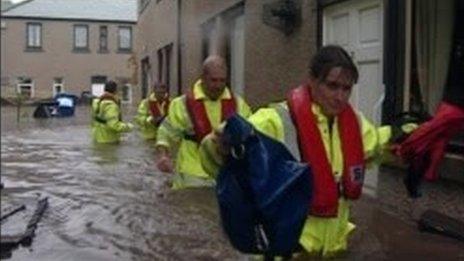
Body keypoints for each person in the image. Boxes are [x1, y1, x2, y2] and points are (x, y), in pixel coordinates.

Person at [199, 45, 417, 258]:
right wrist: (219, 146)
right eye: (332, 86)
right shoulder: (276, 120)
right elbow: (220, 161)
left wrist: (409, 133)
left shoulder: (355, 124)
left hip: (333, 247)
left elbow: (378, 143)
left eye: (346, 88)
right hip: (288, 248)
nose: (340, 96)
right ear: (312, 81)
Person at [155, 55, 252, 189]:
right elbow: (165, 132)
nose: (218, 85)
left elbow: (251, 135)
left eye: (222, 80)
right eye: (213, 80)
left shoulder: (238, 104)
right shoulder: (182, 104)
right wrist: (163, 156)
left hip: (226, 171)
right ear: (203, 77)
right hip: (192, 173)